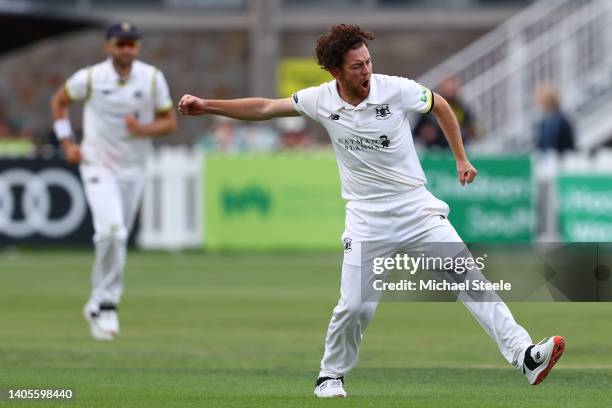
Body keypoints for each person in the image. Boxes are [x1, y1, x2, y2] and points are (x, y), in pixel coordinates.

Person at [178, 24, 564, 398]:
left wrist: (461, 159)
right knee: (355, 307)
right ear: (335, 71)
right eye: (357, 66)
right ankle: (330, 375)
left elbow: (441, 105)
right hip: (367, 218)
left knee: (470, 278)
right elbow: (264, 107)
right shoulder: (320, 100)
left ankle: (524, 355)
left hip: (416, 208)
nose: (367, 71)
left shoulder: (395, 89)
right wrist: (207, 106)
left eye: (368, 61)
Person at [50, 21, 178, 341]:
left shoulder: (151, 79)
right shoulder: (91, 77)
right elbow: (59, 102)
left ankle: (95, 301)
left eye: (131, 43)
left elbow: (169, 123)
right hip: (97, 163)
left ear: (138, 47)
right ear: (108, 46)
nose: (126, 49)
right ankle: (107, 302)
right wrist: (67, 143)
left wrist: (141, 130)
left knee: (117, 236)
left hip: (133, 169)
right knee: (111, 231)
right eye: (120, 43)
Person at [413, 75, 477, 148]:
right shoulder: (431, 105)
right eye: (449, 87)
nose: (452, 90)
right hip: (434, 150)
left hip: (456, 149)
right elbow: (417, 130)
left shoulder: (462, 107)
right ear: (442, 88)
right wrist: (424, 132)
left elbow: (471, 127)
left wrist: (470, 132)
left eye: (454, 87)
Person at [534, 83, 575, 154]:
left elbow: (569, 145)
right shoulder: (543, 122)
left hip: (559, 159)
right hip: (547, 159)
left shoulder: (561, 120)